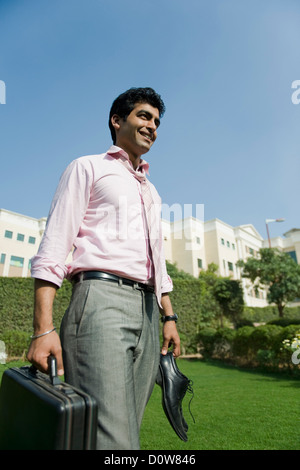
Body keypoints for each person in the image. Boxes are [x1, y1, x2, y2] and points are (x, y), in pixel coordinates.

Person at [27, 87, 180, 450]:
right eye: (144, 116)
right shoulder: (87, 167)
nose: (152, 126)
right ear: (117, 120)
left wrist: (168, 317)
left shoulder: (151, 191)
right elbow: (54, 244)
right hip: (100, 301)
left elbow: (157, 259)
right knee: (115, 441)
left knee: (126, 429)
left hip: (147, 312)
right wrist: (41, 329)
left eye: (157, 121)